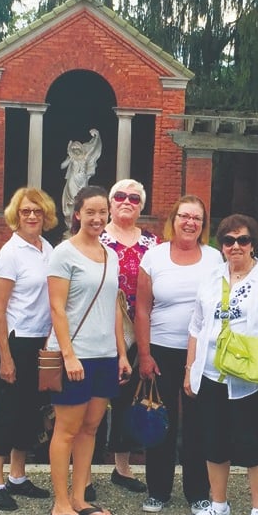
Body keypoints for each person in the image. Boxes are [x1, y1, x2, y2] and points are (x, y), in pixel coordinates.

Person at [184, 214, 258, 515]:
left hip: (247, 379)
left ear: (253, 243)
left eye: (243, 240)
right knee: (214, 443)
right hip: (212, 374)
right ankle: (219, 506)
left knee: (254, 445)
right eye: (229, 241)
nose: (236, 247)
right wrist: (191, 370)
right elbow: (196, 326)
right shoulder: (212, 276)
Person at [47, 185, 132, 515]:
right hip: (75, 355)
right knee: (66, 431)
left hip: (105, 355)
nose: (97, 219)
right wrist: (68, 355)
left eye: (102, 212)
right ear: (77, 213)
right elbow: (57, 308)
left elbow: (114, 306)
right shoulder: (63, 253)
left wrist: (122, 353)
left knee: (91, 427)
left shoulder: (110, 255)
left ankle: (80, 496)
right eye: (91, 212)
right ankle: (61, 502)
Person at [135, 195, 221, 514]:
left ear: (203, 225)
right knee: (161, 419)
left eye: (196, 218)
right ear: (173, 219)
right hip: (161, 350)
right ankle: (158, 490)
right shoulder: (154, 257)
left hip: (201, 355)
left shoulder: (215, 260)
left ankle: (198, 491)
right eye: (184, 216)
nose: (190, 223)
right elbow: (143, 309)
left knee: (198, 423)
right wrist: (144, 354)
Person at [0, 187, 58, 511]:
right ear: (17, 214)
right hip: (14, 340)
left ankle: (18, 476)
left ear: (45, 216)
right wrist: (5, 357)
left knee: (30, 410)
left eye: (37, 211)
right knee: (7, 411)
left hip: (40, 340)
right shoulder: (9, 253)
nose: (31, 216)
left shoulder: (48, 249)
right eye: (26, 211)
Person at [93, 178, 158, 495]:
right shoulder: (98, 238)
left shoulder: (151, 244)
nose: (126, 201)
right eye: (119, 196)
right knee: (92, 401)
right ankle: (85, 472)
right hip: (100, 329)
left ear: (141, 206)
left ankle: (122, 467)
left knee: (127, 401)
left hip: (139, 331)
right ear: (110, 201)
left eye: (134, 197)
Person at [61, 129, 102, 217]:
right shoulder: (72, 158)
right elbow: (62, 166)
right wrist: (69, 157)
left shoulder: (85, 158)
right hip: (73, 179)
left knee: (82, 199)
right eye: (74, 149)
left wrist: (96, 137)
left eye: (77, 149)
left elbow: (93, 149)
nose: (76, 151)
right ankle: (71, 222)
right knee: (72, 200)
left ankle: (80, 220)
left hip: (82, 178)